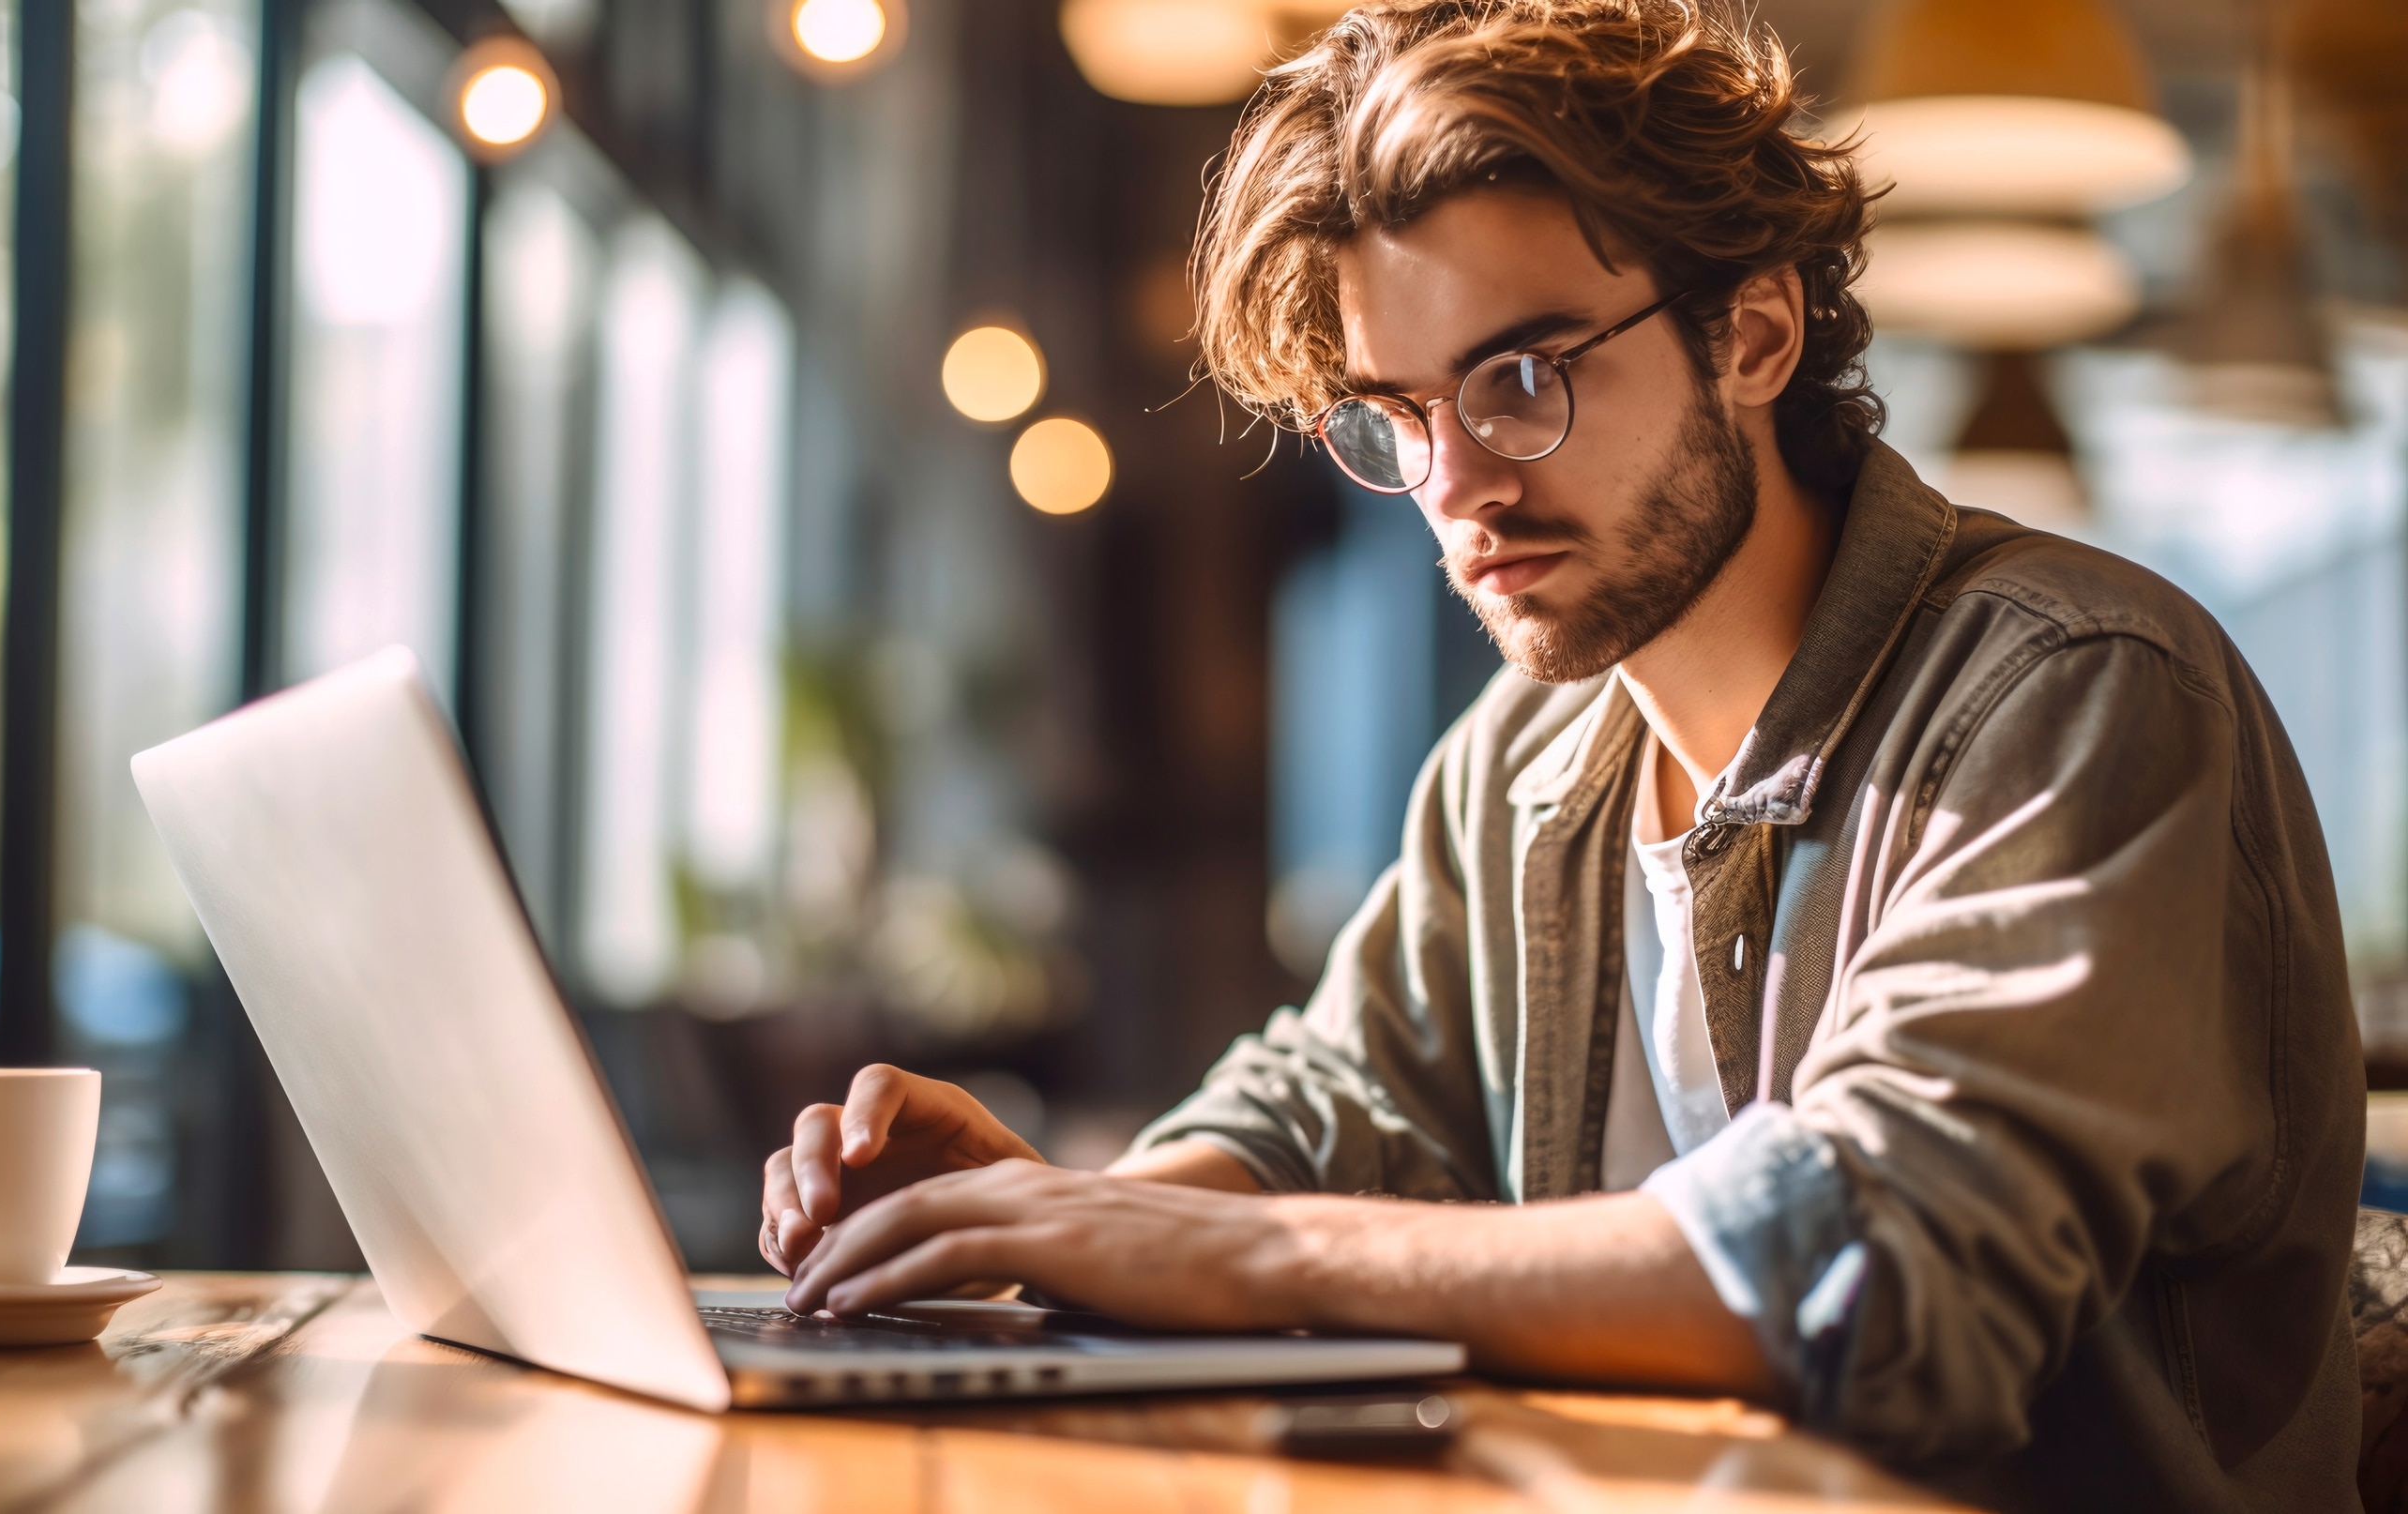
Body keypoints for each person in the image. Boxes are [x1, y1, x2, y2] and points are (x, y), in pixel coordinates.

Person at [759, 2, 2366, 1506]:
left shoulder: (2074, 691)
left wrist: (1210, 1249)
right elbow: (1334, 1104)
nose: (1458, 485)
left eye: (1521, 379)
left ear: (1752, 335)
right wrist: (1032, 1211)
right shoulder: (1523, 755)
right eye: (1401, 410)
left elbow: (1872, 1264)